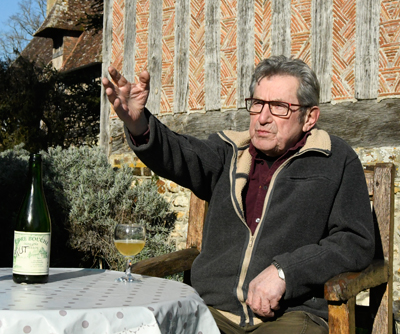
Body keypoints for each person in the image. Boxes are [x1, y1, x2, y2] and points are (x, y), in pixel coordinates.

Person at [102, 55, 374, 334]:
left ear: (309, 117)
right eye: (257, 104)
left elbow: (355, 242)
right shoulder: (228, 151)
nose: (263, 118)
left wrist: (286, 272)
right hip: (212, 311)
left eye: (279, 107)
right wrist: (138, 123)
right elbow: (179, 154)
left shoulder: (335, 159)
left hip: (290, 315)